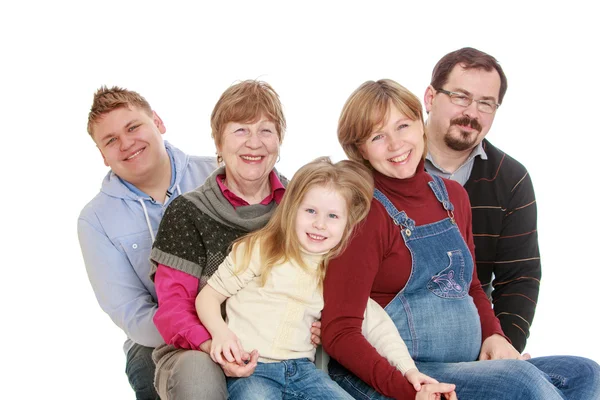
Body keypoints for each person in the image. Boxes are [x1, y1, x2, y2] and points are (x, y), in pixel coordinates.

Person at [321, 78, 600, 399]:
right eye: (378, 136)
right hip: (399, 369)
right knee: (521, 383)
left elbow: (469, 286)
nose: (396, 144)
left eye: (403, 126)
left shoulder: (450, 197)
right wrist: (409, 385)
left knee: (584, 373)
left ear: (420, 124)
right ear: (360, 149)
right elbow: (340, 331)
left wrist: (495, 335)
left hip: (462, 363)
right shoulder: (363, 211)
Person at [196, 157, 438, 399]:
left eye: (333, 216)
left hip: (303, 372)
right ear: (292, 209)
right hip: (251, 367)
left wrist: (409, 370)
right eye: (311, 211)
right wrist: (221, 333)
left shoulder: (339, 270)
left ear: (348, 223)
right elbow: (208, 297)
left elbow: (377, 325)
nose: (320, 224)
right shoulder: (261, 248)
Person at [148, 80, 316, 399]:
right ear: (218, 142)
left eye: (266, 130)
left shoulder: (305, 207)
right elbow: (174, 310)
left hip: (285, 351)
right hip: (201, 348)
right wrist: (217, 346)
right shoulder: (187, 212)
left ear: (280, 140)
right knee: (198, 375)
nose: (254, 143)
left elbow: (327, 281)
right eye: (240, 130)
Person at [78, 86, 216, 399]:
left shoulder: (217, 172)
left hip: (242, 315)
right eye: (111, 140)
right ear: (102, 155)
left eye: (133, 127)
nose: (126, 144)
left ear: (158, 121)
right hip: (156, 339)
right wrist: (204, 334)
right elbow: (130, 311)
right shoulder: (96, 219)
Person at [423, 47, 539, 352]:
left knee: (583, 373)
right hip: (392, 339)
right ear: (430, 98)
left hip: (472, 337)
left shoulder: (511, 179)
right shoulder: (385, 164)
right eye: (461, 97)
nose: (472, 113)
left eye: (486, 103)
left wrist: (502, 345)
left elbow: (519, 278)